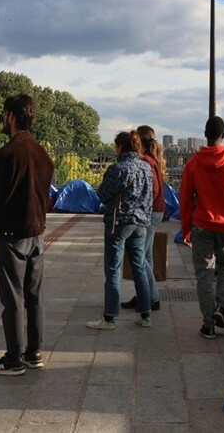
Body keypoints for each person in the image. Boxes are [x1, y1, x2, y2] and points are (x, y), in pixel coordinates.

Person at [0, 94, 54, 376]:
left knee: (12, 297)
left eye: (4, 114)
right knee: (35, 295)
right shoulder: (42, 153)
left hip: (12, 234)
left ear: (11, 116)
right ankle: (33, 352)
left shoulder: (3, 156)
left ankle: (13, 358)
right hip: (37, 232)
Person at [180, 116, 224, 339]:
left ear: (205, 135)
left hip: (202, 225)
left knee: (204, 274)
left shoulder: (193, 163)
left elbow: (185, 199)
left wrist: (186, 229)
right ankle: (221, 307)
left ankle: (208, 324)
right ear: (223, 135)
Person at [87, 130, 153, 330]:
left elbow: (103, 194)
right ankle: (145, 314)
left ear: (120, 147)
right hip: (141, 223)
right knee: (139, 267)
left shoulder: (118, 168)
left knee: (113, 270)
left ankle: (109, 318)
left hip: (119, 223)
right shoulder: (146, 167)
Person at [121, 125, 165, 312]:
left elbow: (152, 190)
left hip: (149, 212)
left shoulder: (145, 160)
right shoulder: (152, 159)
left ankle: (151, 298)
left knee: (138, 256)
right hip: (156, 211)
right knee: (145, 256)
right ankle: (143, 294)